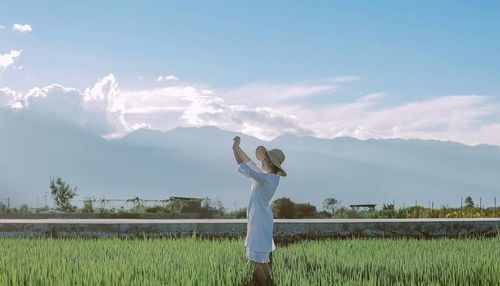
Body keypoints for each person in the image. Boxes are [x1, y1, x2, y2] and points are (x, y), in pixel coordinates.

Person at [232, 135, 287, 285]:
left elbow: (245, 166)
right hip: (263, 220)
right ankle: (268, 283)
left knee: (256, 262)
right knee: (263, 261)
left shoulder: (266, 178)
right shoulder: (268, 177)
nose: (261, 160)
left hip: (259, 222)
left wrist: (236, 148)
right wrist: (236, 148)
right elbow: (249, 163)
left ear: (269, 162)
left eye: (264, 159)